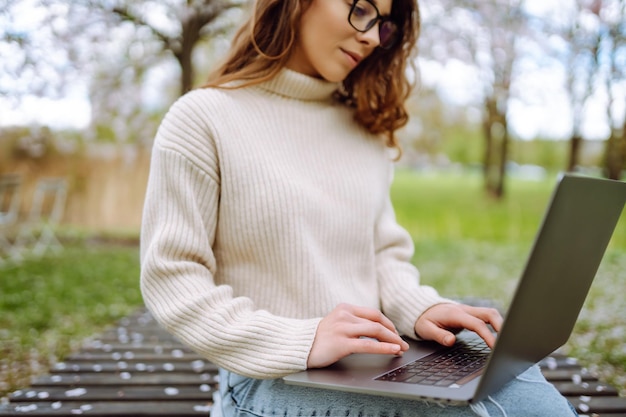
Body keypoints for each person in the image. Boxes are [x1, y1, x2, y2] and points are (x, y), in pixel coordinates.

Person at [140, 0, 578, 415]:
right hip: (265, 382)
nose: (372, 37)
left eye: (383, 23)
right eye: (361, 9)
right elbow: (172, 277)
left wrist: (418, 307)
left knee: (513, 382)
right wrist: (303, 338)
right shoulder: (202, 119)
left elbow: (381, 255)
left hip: (368, 366)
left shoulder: (364, 128)